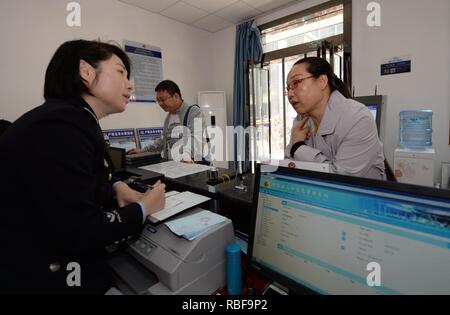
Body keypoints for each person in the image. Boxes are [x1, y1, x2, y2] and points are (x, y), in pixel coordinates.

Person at [0, 40, 166, 294]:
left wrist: (116, 186)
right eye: (121, 71)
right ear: (86, 72)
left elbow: (75, 178)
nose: (130, 84)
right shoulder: (60, 126)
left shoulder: (72, 118)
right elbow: (80, 230)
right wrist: (145, 208)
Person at [285, 57, 386, 180]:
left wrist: (298, 147)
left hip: (360, 196)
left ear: (322, 81)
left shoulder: (357, 118)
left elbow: (340, 180)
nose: (290, 94)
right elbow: (289, 166)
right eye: (288, 88)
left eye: (296, 83)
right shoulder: (301, 119)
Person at [127, 80, 209, 163]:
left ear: (176, 96)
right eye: (158, 100)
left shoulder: (195, 112)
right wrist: (142, 151)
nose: (160, 104)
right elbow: (163, 141)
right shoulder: (169, 117)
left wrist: (186, 154)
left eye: (163, 99)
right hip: (175, 165)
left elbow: (196, 138)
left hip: (193, 165)